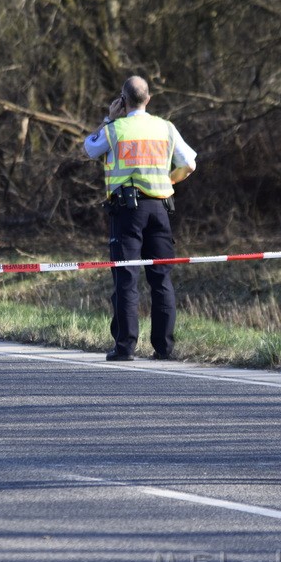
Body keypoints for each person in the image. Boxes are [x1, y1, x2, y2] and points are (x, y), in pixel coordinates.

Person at [84, 75, 197, 361]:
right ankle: (164, 348)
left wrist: (109, 119)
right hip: (160, 209)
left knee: (126, 278)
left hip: (127, 212)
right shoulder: (165, 127)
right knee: (161, 280)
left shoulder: (116, 128)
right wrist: (167, 182)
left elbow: (90, 148)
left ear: (123, 101)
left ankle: (125, 348)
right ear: (149, 98)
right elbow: (190, 164)